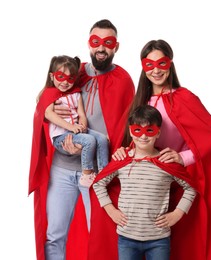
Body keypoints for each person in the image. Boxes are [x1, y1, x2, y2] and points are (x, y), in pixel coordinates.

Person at [111, 39, 211, 259]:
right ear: (143, 67)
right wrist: (121, 153)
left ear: (170, 64)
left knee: (181, 248)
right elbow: (128, 140)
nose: (156, 70)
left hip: (175, 185)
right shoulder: (139, 102)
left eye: (161, 63)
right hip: (144, 189)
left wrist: (182, 157)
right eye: (149, 65)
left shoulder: (184, 98)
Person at [28, 19, 135, 260]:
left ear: (116, 47)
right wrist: (50, 105)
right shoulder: (76, 73)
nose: (101, 48)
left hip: (98, 173)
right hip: (62, 169)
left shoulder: (124, 80)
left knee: (101, 232)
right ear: (89, 43)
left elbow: (128, 126)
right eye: (96, 42)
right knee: (55, 234)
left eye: (108, 43)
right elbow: (46, 95)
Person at [93, 104, 197, 260]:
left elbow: (190, 188)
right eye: (137, 130)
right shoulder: (123, 159)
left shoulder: (166, 161)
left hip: (159, 239)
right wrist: (111, 210)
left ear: (158, 133)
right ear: (130, 131)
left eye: (149, 131)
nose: (143, 137)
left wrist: (177, 213)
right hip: (126, 238)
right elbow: (98, 183)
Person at [43, 55, 109, 188]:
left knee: (102, 139)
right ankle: (87, 174)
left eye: (70, 78)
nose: (65, 82)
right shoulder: (49, 93)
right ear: (52, 76)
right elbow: (48, 113)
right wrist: (71, 126)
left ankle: (104, 172)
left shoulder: (76, 94)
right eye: (61, 77)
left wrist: (83, 124)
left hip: (76, 131)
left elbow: (81, 114)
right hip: (60, 135)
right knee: (89, 141)